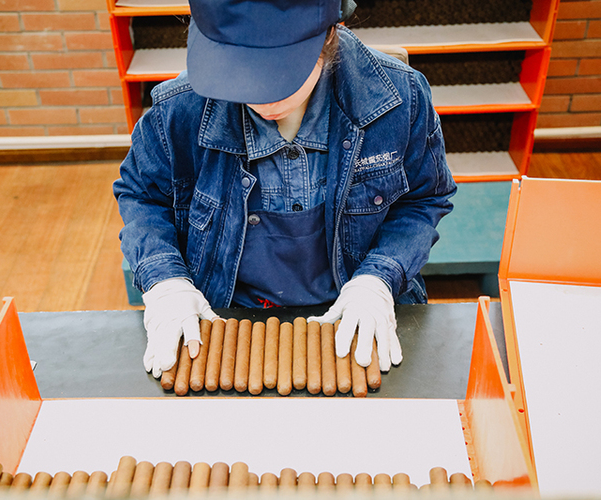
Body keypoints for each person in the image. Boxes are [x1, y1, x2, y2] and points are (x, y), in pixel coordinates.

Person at [113, 0, 457, 381]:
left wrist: (379, 278)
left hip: (356, 312)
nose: (261, 98)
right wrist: (166, 281)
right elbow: (142, 196)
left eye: (280, 75)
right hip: (229, 319)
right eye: (241, 73)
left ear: (329, 34)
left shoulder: (400, 99)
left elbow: (423, 199)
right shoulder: (177, 112)